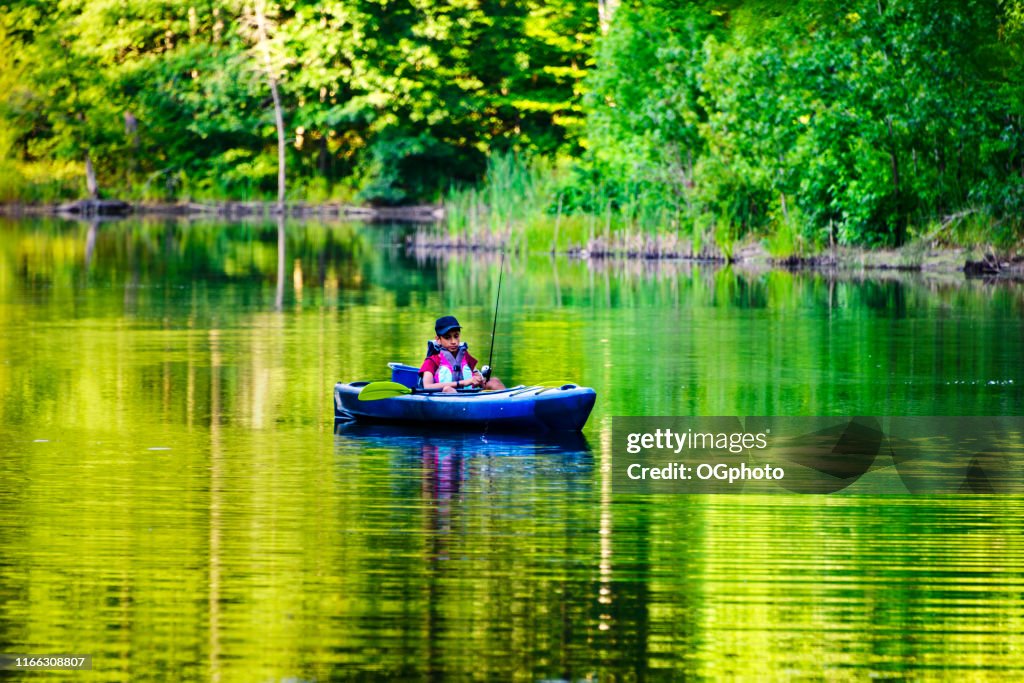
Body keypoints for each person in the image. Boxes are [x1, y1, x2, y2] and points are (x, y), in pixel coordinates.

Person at [420, 315, 505, 393]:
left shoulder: (464, 355)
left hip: (471, 396)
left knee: (494, 381)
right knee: (448, 389)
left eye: (456, 336)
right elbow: (427, 387)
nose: (453, 342)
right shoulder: (432, 360)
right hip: (447, 398)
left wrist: (479, 380)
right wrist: (463, 383)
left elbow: (477, 376)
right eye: (447, 337)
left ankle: (509, 402)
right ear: (438, 339)